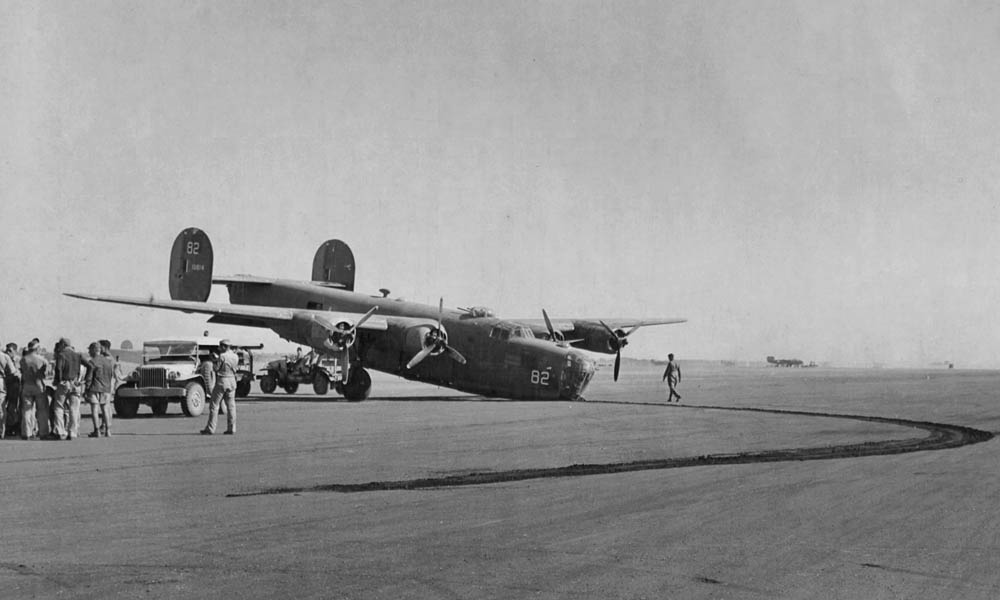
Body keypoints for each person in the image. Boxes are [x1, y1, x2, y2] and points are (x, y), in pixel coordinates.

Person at [201, 339, 238, 435]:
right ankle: (232, 428)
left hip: (222, 381)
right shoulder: (235, 356)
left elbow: (216, 369)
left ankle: (210, 429)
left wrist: (214, 360)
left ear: (225, 347)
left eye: (221, 346)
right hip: (232, 381)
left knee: (214, 405)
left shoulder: (222, 356)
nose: (219, 348)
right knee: (231, 406)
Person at [52, 337, 84, 440]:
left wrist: (58, 380)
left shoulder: (61, 355)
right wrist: (84, 380)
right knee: (74, 408)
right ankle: (73, 432)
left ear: (62, 345)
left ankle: (60, 431)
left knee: (59, 407)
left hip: (64, 383)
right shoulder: (78, 355)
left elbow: (58, 368)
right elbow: (90, 366)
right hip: (75, 383)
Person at [19, 340, 49, 440]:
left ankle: (27, 432)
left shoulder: (23, 359)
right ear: (37, 348)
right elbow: (46, 374)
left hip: (27, 385)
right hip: (38, 385)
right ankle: (43, 432)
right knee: (42, 410)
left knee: (27, 410)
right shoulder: (42, 359)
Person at [85, 342, 115, 437]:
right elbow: (111, 375)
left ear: (94, 350)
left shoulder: (92, 362)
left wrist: (86, 389)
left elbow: (89, 378)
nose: (89, 352)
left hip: (94, 388)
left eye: (90, 349)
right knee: (105, 409)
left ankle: (97, 431)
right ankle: (108, 431)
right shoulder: (108, 362)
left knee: (94, 409)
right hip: (106, 388)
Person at [2, 343, 21, 438]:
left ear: (15, 351)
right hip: (6, 384)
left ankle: (12, 426)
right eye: (7, 350)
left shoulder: (18, 360)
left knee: (12, 407)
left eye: (10, 350)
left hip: (14, 385)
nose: (7, 352)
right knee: (3, 406)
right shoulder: (4, 358)